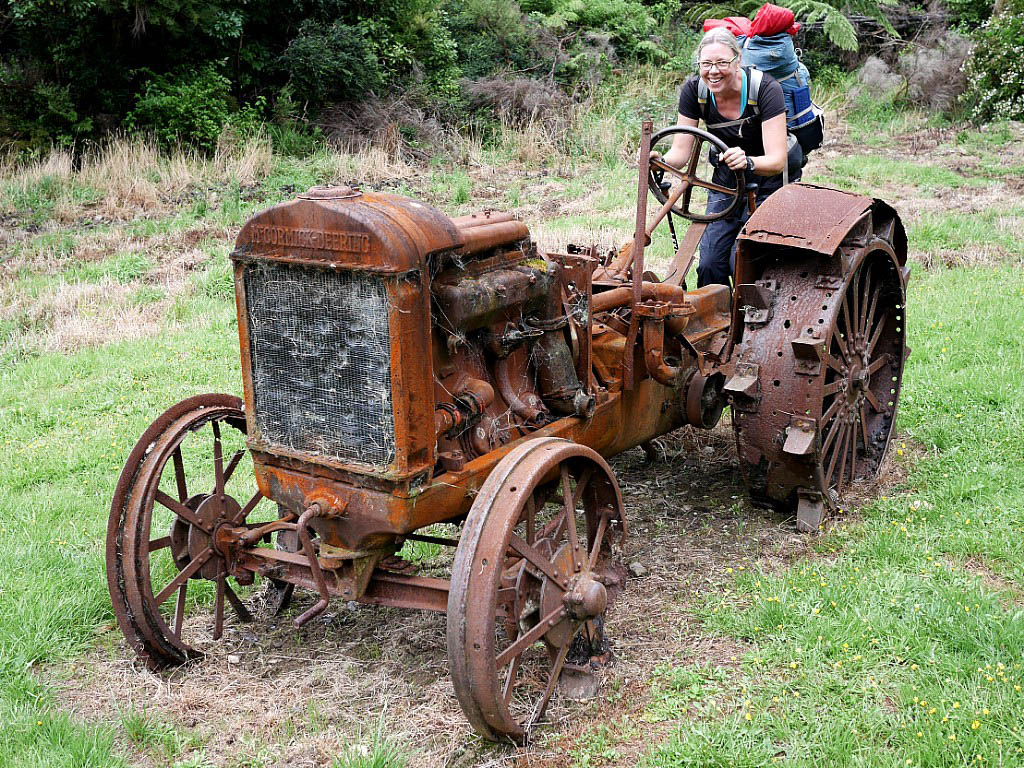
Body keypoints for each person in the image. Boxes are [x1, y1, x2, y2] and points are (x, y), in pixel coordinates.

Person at [658, 27, 797, 287]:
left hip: (769, 181)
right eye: (706, 63)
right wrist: (659, 161)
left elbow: (778, 160)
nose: (713, 71)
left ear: (738, 61)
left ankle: (750, 322)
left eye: (722, 62)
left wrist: (748, 161)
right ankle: (716, 322)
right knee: (710, 264)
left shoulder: (766, 89)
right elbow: (680, 154)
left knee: (741, 260)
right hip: (726, 181)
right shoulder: (694, 91)